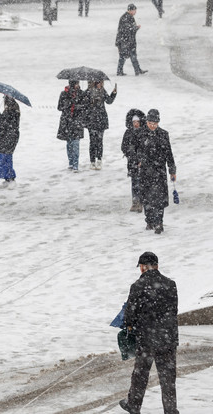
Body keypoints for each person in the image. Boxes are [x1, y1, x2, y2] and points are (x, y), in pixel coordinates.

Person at [119, 252, 178, 414]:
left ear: (143, 267)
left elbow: (130, 316)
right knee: (168, 378)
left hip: (147, 340)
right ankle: (171, 410)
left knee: (140, 375)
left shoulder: (137, 286)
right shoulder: (171, 284)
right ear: (157, 266)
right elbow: (173, 311)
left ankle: (133, 405)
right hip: (168, 339)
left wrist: (129, 325)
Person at [136, 109, 176, 234]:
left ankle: (159, 222)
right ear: (147, 121)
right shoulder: (140, 134)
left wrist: (172, 169)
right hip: (145, 171)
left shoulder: (164, 134)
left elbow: (169, 153)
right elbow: (133, 150)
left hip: (159, 171)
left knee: (159, 198)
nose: (152, 125)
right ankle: (149, 221)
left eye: (155, 123)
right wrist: (139, 160)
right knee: (147, 197)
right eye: (150, 123)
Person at [84, 80, 117, 170]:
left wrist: (113, 94)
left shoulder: (103, 91)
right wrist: (92, 102)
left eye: (101, 83)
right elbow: (84, 104)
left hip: (101, 119)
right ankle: (92, 161)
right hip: (91, 119)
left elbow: (109, 101)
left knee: (99, 141)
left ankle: (99, 160)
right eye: (98, 83)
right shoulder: (88, 91)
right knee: (92, 142)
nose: (100, 84)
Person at [57, 80, 86, 172]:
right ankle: (71, 162)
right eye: (76, 83)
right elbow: (59, 107)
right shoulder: (64, 94)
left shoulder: (81, 94)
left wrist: (78, 106)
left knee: (76, 143)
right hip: (67, 122)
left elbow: (85, 107)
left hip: (77, 121)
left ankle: (75, 165)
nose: (78, 85)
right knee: (69, 143)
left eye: (78, 83)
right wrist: (68, 104)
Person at [0, 95, 21, 185]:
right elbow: (7, 122)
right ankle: (9, 176)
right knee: (7, 156)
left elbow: (4, 124)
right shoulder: (15, 109)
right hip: (12, 136)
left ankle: (8, 177)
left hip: (6, 136)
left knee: (4, 157)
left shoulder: (9, 111)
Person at [121, 109, 145, 212]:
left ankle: (141, 201)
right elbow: (123, 146)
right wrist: (129, 154)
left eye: (137, 122)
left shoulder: (144, 133)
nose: (135, 124)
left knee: (141, 182)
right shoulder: (128, 133)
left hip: (142, 162)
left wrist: (142, 158)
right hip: (132, 162)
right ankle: (135, 201)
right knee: (134, 182)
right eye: (134, 122)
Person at [115, 4, 147, 76]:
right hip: (126, 41)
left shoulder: (126, 17)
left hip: (124, 40)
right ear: (131, 10)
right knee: (130, 56)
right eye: (135, 10)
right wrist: (136, 28)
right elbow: (127, 29)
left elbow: (126, 29)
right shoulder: (127, 17)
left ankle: (135, 70)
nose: (135, 12)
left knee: (125, 56)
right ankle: (136, 70)